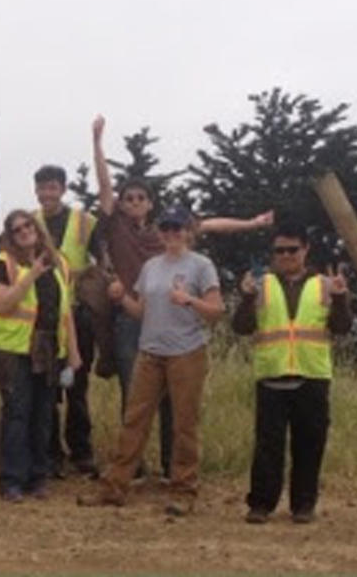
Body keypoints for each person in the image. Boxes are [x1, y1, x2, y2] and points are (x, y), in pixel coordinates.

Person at [92, 115, 273, 480]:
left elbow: (212, 225)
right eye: (129, 199)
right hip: (135, 320)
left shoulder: (173, 239)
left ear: (151, 204)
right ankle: (133, 469)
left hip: (179, 329)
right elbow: (105, 186)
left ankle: (170, 470)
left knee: (175, 406)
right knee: (135, 399)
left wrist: (252, 224)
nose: (134, 203)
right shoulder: (117, 226)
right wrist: (97, 143)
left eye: (141, 198)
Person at [93, 205, 225, 515]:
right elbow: (141, 311)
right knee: (134, 421)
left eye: (176, 228)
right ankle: (115, 488)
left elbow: (216, 312)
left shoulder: (202, 266)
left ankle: (184, 490)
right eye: (165, 229)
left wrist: (189, 300)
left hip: (187, 354)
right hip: (150, 353)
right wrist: (120, 297)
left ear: (188, 231)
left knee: (184, 424)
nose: (170, 234)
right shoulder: (151, 266)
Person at [232, 221, 351, 524]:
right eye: (279, 250)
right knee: (268, 446)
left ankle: (303, 505)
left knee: (309, 444)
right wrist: (245, 297)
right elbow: (241, 327)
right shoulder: (260, 284)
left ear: (305, 250)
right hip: (272, 373)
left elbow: (342, 327)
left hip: (312, 375)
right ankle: (260, 504)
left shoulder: (325, 284)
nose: (285, 255)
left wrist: (340, 298)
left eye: (292, 250)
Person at [0, 210, 82, 502]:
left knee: (43, 415)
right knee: (18, 413)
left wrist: (74, 354)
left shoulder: (59, 265)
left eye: (28, 225)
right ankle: (12, 479)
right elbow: (1, 303)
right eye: (17, 230)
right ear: (10, 237)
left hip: (49, 348)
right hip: (13, 350)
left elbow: (66, 312)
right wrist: (31, 275)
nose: (24, 231)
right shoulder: (3, 264)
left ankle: (38, 477)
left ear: (38, 229)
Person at [30, 165, 103, 479]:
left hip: (77, 313)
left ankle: (81, 451)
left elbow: (103, 259)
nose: (47, 193)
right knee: (46, 389)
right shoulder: (28, 222)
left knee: (77, 386)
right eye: (42, 188)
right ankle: (51, 454)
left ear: (63, 189)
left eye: (52, 187)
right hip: (42, 315)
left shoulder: (85, 223)